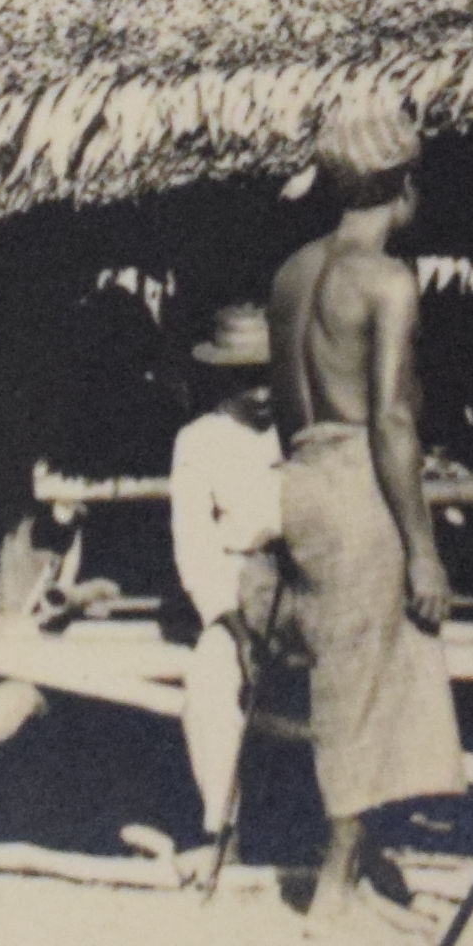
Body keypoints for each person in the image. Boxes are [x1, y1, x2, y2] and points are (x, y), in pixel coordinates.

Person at [269, 93, 466, 925]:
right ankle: (338, 873)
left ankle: (363, 849)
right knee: (359, 675)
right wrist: (422, 546)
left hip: (303, 470)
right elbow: (390, 418)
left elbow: (288, 401)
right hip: (358, 478)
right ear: (403, 188)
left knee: (354, 660)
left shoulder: (291, 275)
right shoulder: (387, 281)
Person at [164, 300, 289, 859]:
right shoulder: (198, 441)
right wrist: (239, 633)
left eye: (269, 377)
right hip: (236, 588)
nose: (262, 394)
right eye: (246, 381)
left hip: (301, 582)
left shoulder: (299, 434)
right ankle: (223, 827)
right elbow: (196, 551)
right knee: (211, 684)